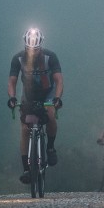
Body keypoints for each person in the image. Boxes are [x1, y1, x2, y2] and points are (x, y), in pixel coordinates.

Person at [7, 27, 64, 184]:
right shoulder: (18, 58)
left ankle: (50, 147)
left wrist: (57, 98)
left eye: (36, 49)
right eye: (30, 49)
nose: (33, 52)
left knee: (50, 114)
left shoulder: (50, 57)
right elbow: (12, 81)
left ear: (41, 47)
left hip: (48, 91)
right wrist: (12, 98)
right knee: (25, 128)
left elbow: (59, 80)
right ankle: (27, 169)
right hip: (30, 93)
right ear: (25, 46)